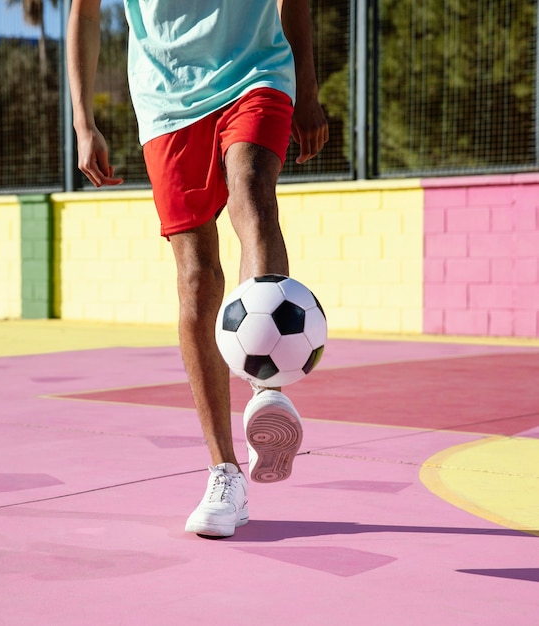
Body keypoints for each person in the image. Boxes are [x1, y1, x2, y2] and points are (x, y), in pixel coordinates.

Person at [67, 0, 329, 538]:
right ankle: (225, 474)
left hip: (257, 71)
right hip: (166, 100)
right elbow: (86, 13)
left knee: (253, 195)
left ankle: (268, 387)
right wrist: (82, 121)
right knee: (196, 277)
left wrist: (307, 87)